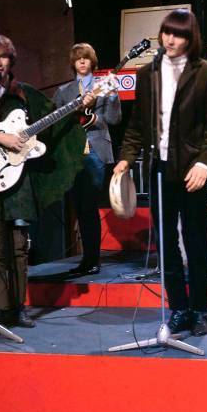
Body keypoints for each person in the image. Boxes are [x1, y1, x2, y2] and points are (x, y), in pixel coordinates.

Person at [0, 34, 86, 328]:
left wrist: (81, 107)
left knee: (19, 247)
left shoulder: (26, 94)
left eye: (3, 56)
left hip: (19, 180)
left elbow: (52, 121)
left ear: (11, 61)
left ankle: (18, 307)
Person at [113, 9, 207, 336]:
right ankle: (178, 308)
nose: (171, 39)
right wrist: (125, 157)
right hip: (159, 170)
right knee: (166, 244)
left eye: (178, 34)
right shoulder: (147, 74)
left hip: (193, 170)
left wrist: (205, 163)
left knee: (194, 242)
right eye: (167, 33)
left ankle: (199, 309)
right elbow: (136, 126)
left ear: (190, 39)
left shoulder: (206, 73)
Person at [53, 43, 121, 278]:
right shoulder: (63, 91)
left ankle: (92, 260)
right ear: (73, 62)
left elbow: (114, 119)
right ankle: (86, 259)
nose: (82, 62)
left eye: (86, 58)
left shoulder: (103, 86)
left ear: (92, 62)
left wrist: (111, 96)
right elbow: (55, 123)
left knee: (89, 205)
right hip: (71, 153)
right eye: (78, 58)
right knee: (79, 207)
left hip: (95, 150)